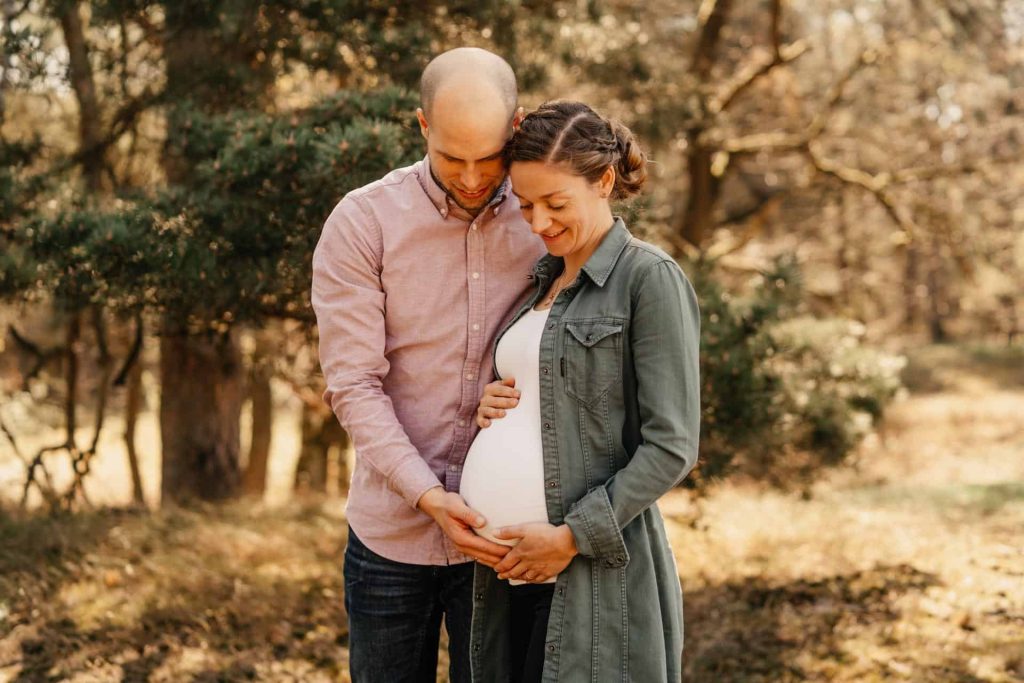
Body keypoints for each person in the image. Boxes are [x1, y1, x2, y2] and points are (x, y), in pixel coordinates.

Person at [310, 47, 546, 682]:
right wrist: (427, 495)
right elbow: (354, 384)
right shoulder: (362, 223)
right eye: (451, 158)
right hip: (391, 538)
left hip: (507, 538)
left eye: (489, 157)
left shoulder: (545, 219)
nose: (471, 177)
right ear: (421, 126)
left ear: (517, 127)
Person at [463, 100, 701, 682]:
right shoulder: (541, 282)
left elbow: (671, 445)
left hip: (591, 572)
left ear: (604, 180)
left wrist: (570, 537)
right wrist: (490, 403)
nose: (538, 222)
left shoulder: (648, 278)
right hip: (507, 581)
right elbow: (549, 401)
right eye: (525, 205)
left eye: (555, 203)